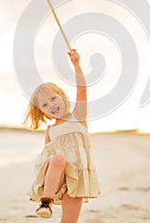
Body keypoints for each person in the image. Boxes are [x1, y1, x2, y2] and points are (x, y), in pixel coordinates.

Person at [24, 49, 101, 223]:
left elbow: (82, 90)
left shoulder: (78, 117)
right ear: (42, 112)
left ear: (61, 95)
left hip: (77, 178)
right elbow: (45, 160)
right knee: (57, 159)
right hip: (58, 178)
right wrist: (40, 186)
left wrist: (76, 65)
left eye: (53, 98)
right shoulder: (50, 131)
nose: (51, 105)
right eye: (45, 104)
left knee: (69, 220)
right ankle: (46, 202)